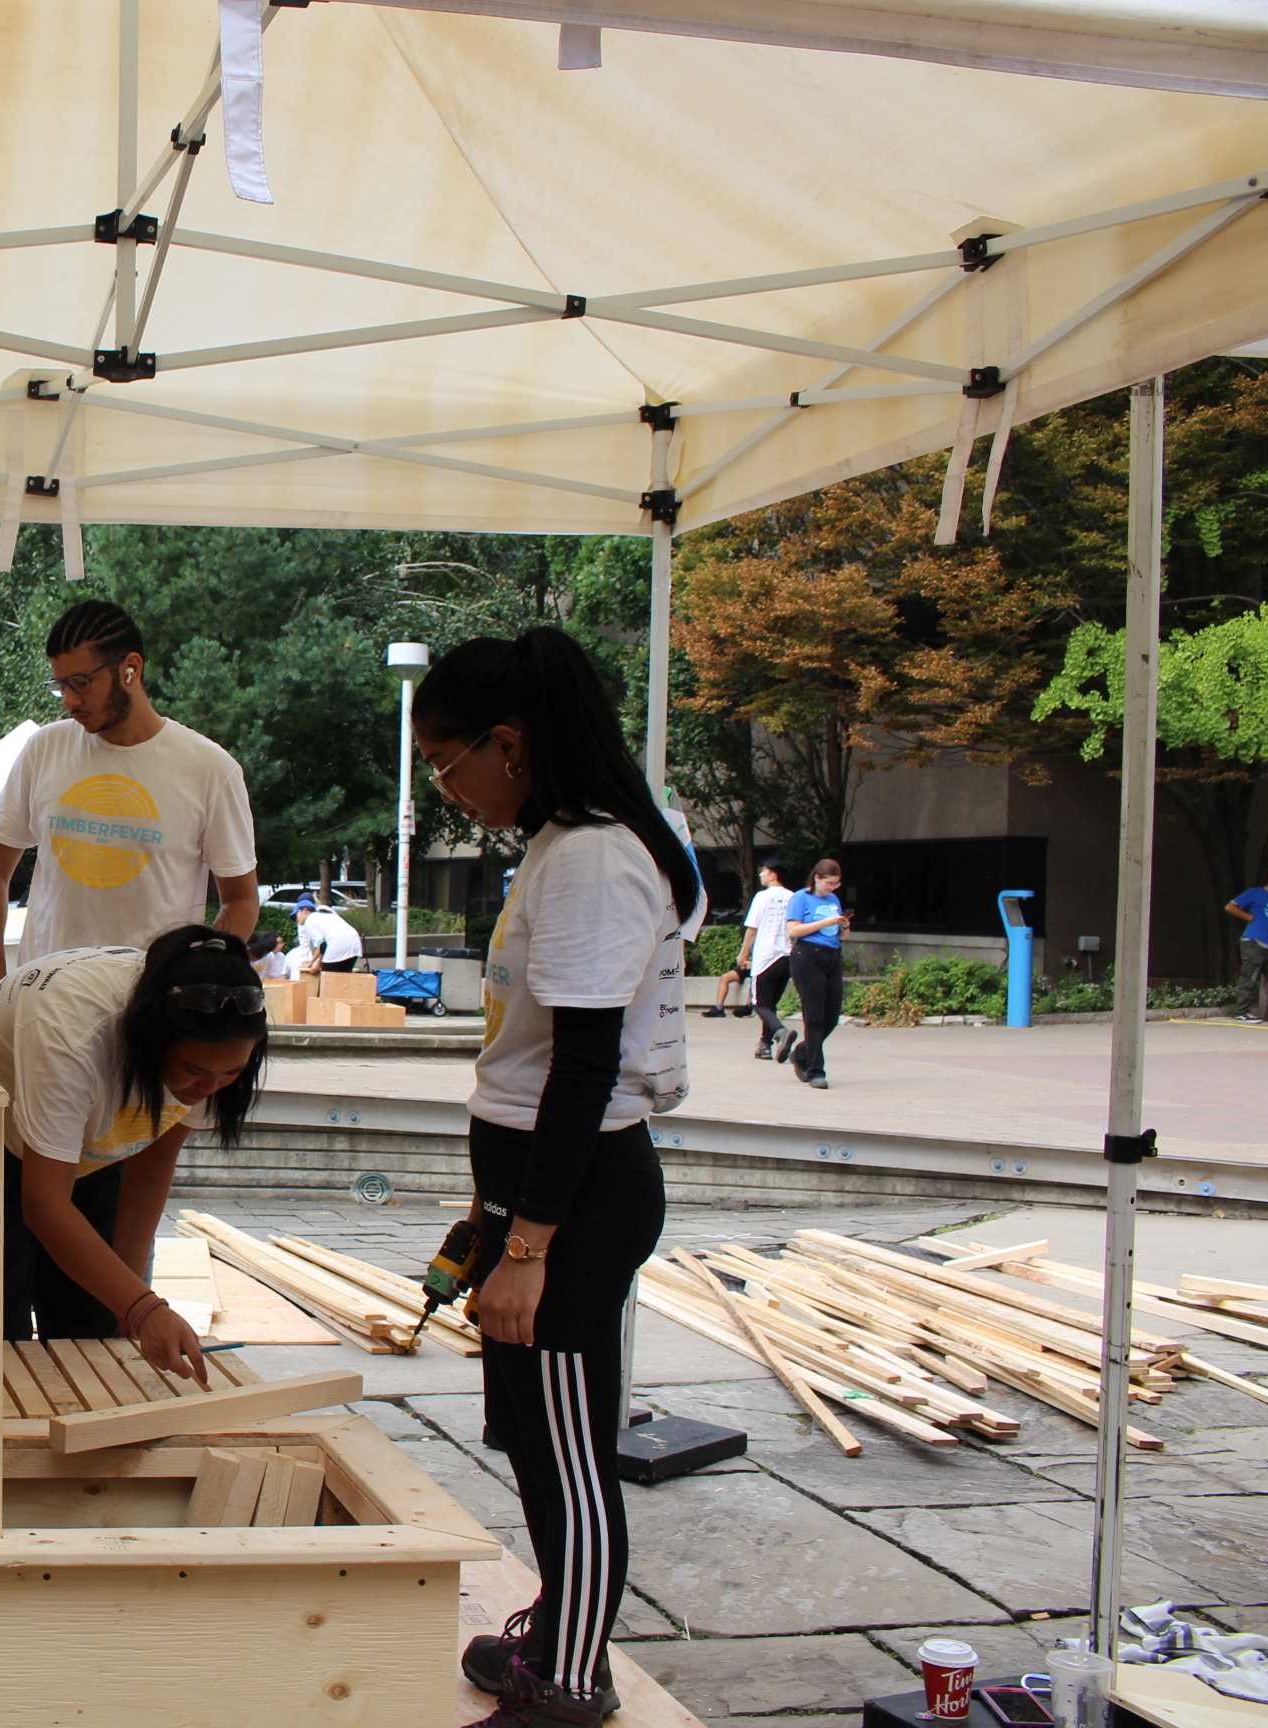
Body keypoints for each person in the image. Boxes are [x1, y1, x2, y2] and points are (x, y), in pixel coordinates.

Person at [409, 627, 698, 1728]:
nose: (447, 787)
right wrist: (491, 1222)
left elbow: (583, 1068)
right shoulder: (565, 844)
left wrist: (529, 1245)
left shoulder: (589, 856)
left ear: (511, 743)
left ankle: (573, 1677)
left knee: (570, 1448)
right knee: (532, 1434)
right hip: (537, 1188)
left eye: (448, 761)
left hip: (574, 1199)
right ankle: (559, 1621)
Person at [0, 927, 269, 1385]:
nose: (210, 1087)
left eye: (231, 1073)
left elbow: (151, 1165)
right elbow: (44, 1204)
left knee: (95, 1321)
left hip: (85, 1134)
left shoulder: (222, 1029)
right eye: (195, 1072)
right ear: (152, 1040)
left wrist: (133, 1302)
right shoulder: (72, 1034)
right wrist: (143, 1308)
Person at [0, 601, 260, 987]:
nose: (71, 701)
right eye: (61, 686)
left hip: (146, 1012)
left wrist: (191, 982)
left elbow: (241, 901)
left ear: (131, 669)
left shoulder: (211, 770)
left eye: (81, 683)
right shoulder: (44, 749)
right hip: (43, 1003)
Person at [782, 860, 852, 1087]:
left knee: (831, 1015)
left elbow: (840, 935)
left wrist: (843, 925)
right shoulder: (800, 898)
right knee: (814, 1016)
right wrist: (826, 921)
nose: (832, 888)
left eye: (836, 884)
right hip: (807, 956)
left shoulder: (833, 899)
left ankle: (803, 1052)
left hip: (832, 955)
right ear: (817, 878)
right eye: (829, 883)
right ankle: (815, 1070)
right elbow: (793, 930)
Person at [738, 861, 797, 1062]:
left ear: (773, 875)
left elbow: (752, 928)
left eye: (763, 871)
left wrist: (743, 953)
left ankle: (781, 1032)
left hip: (766, 957)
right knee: (770, 1003)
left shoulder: (762, 897)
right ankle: (765, 1045)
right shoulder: (792, 897)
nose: (761, 874)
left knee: (759, 1004)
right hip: (787, 956)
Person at [1225, 864, 1268, 1022]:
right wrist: (1249, 918)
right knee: (1250, 978)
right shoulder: (1255, 893)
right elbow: (1230, 907)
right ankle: (1241, 1012)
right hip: (1253, 942)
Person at [294, 895, 364, 973]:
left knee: (327, 979)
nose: (296, 919)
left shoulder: (309, 921)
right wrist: (312, 962)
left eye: (296, 915)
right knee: (344, 978)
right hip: (355, 943)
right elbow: (321, 946)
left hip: (337, 945)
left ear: (305, 911)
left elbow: (323, 945)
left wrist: (318, 963)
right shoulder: (325, 913)